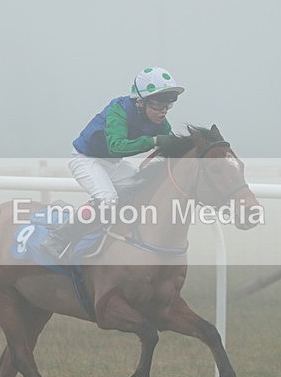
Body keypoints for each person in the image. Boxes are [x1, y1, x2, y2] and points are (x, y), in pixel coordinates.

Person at [40, 66, 184, 259]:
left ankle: (119, 233)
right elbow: (117, 146)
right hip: (87, 159)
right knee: (107, 200)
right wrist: (154, 141)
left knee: (141, 187)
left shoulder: (161, 123)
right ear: (140, 101)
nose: (163, 112)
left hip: (112, 164)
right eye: (157, 106)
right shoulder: (119, 110)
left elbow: (173, 148)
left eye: (168, 106)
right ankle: (58, 238)